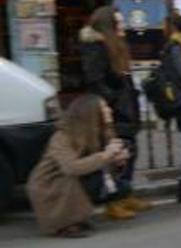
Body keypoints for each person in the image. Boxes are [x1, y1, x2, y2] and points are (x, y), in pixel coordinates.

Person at [78, 5, 151, 220]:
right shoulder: (95, 47)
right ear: (108, 26)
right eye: (118, 23)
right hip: (114, 111)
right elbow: (95, 81)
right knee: (117, 155)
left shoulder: (114, 45)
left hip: (126, 107)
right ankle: (114, 201)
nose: (123, 27)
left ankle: (126, 194)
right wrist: (115, 100)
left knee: (131, 151)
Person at [28, 95, 131, 237]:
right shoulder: (62, 136)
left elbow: (103, 167)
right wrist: (105, 156)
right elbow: (70, 167)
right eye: (104, 108)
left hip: (77, 177)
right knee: (72, 180)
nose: (109, 110)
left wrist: (118, 161)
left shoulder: (103, 132)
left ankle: (77, 217)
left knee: (122, 187)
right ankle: (65, 223)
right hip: (49, 183)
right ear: (91, 114)